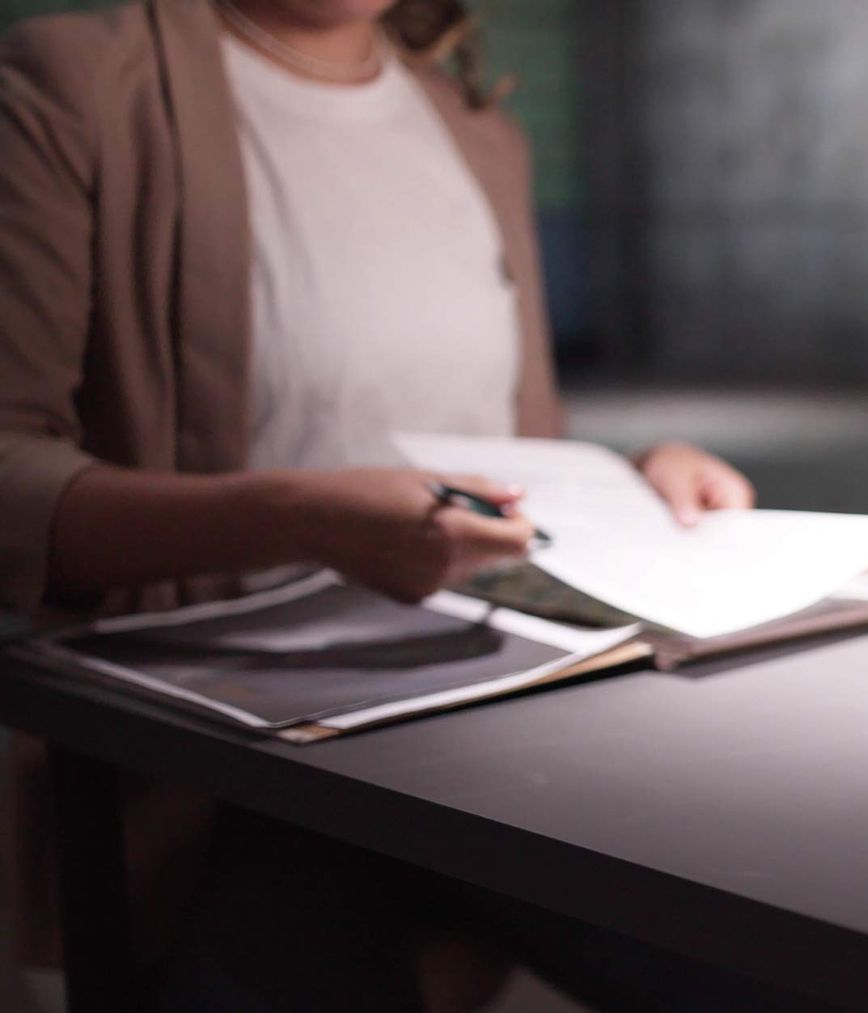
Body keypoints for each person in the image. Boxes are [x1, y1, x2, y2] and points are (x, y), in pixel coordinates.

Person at [0, 0, 754, 1004]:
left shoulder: (471, 126)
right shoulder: (84, 81)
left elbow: (494, 446)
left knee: (791, 929)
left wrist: (635, 475)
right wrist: (299, 517)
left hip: (502, 704)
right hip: (232, 759)